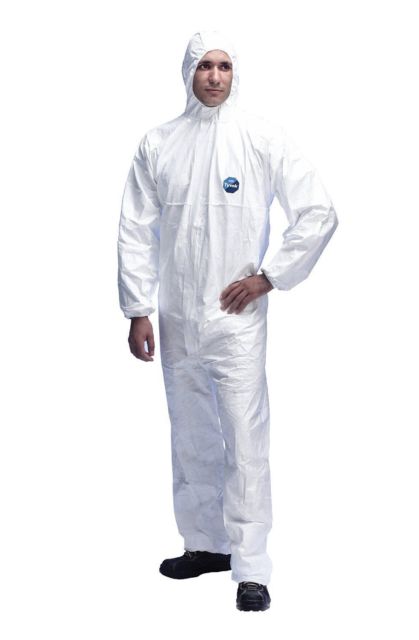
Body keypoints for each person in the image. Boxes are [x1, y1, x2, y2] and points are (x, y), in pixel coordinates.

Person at [117, 30, 338, 612]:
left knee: (245, 438)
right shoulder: (158, 143)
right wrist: (138, 308)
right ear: (188, 72)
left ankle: (252, 566)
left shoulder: (261, 137)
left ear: (234, 74)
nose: (214, 76)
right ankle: (205, 544)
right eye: (204, 66)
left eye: (224, 66)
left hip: (236, 320)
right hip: (176, 318)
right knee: (190, 435)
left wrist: (271, 276)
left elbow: (319, 212)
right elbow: (135, 229)